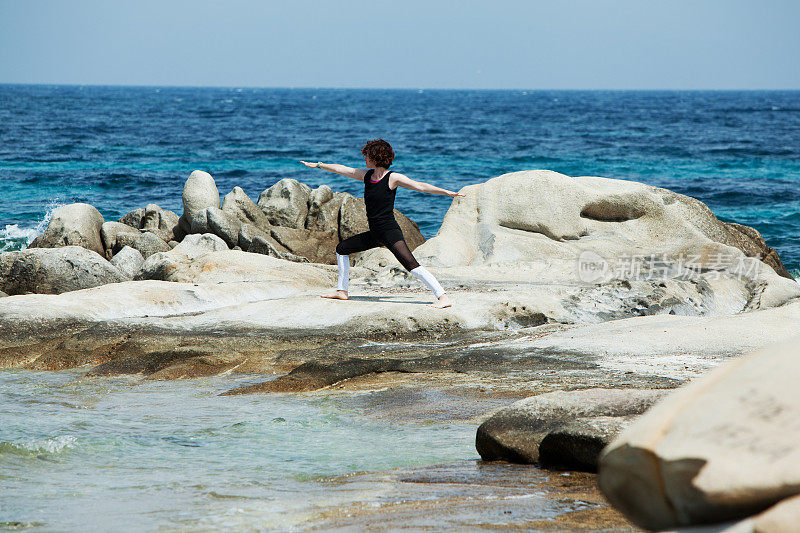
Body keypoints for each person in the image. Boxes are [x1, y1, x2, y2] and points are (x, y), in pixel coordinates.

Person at [300, 139, 464, 308]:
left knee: (411, 265)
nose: (365, 159)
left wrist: (445, 192)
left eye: (367, 156)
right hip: (375, 233)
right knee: (342, 249)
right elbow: (343, 170)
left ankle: (443, 297)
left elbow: (420, 186)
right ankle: (342, 291)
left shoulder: (393, 178)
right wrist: (319, 165)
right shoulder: (367, 176)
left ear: (375, 157)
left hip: (389, 232)